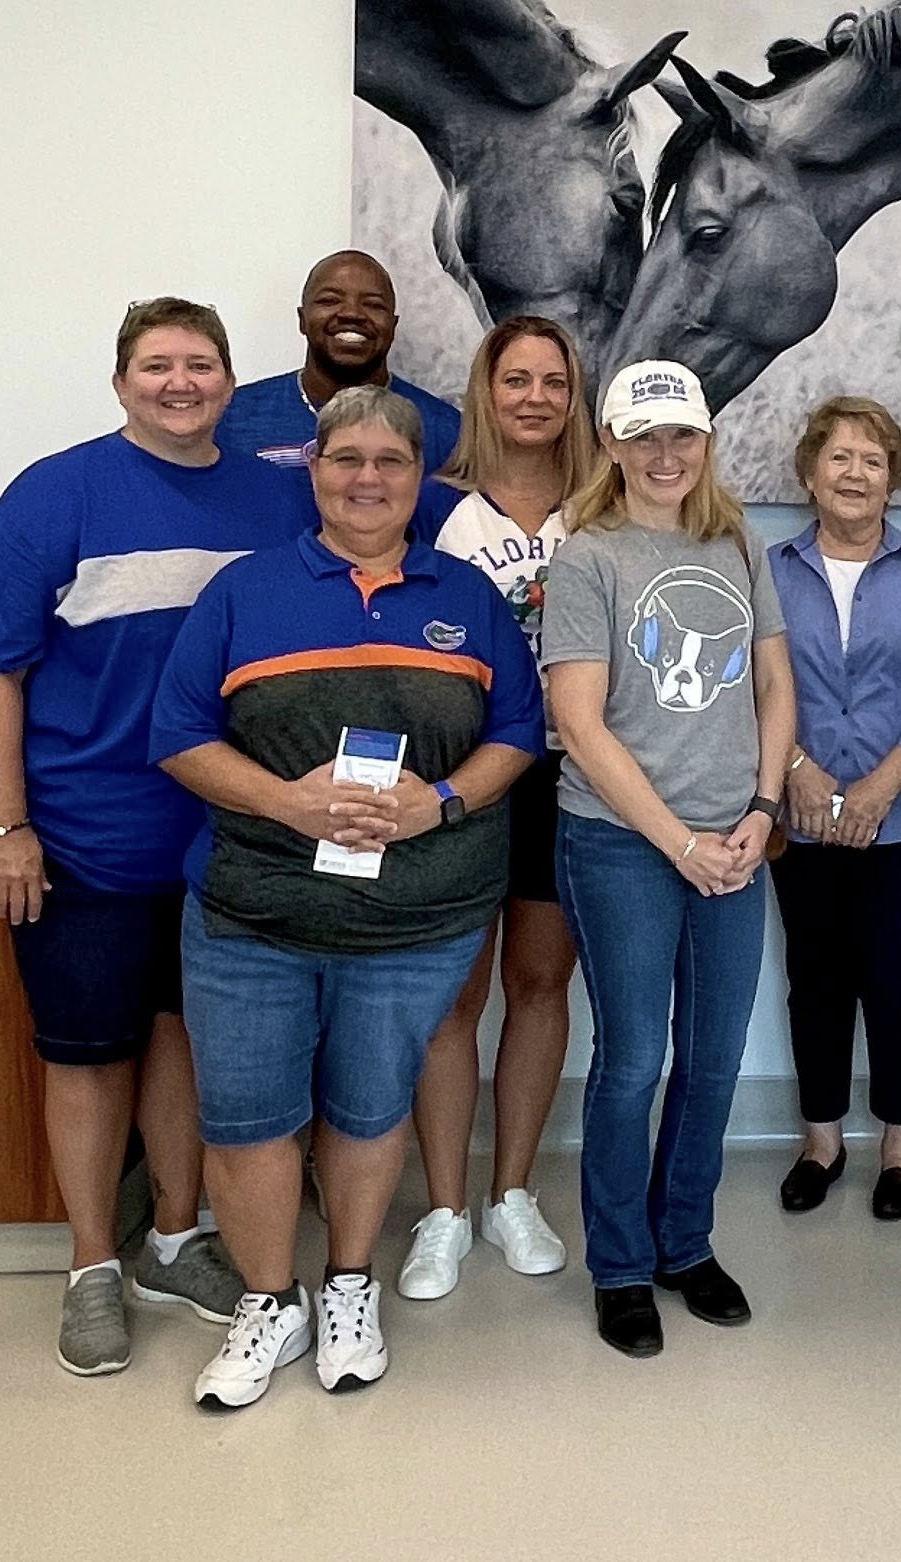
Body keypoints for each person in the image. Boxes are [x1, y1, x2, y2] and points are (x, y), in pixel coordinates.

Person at [149, 386, 541, 1411]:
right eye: (346, 458)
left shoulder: (469, 596)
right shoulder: (245, 590)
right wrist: (287, 800)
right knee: (246, 1122)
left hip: (416, 920)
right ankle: (270, 1301)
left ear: (422, 479)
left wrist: (439, 802)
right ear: (314, 470)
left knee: (370, 1108)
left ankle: (350, 1284)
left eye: (390, 462)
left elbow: (517, 735)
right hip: (252, 914)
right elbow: (180, 734)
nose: (367, 478)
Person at [0, 298, 308, 1377]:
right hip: (84, 842)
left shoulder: (279, 496)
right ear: (121, 382)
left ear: (228, 381)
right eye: (156, 364)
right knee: (88, 1053)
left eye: (200, 363)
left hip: (232, 846)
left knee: (186, 1044)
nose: (179, 381)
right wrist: (5, 823)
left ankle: (169, 1237)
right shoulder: (52, 493)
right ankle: (91, 1264)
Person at [541, 359, 794, 1359]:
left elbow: (774, 686)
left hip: (734, 841)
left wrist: (762, 812)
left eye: (679, 436)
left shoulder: (737, 541)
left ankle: (685, 1242)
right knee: (633, 1057)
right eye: (641, 437)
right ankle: (619, 1261)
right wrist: (676, 840)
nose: (662, 454)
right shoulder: (588, 555)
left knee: (715, 1058)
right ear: (611, 444)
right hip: (622, 846)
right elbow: (578, 718)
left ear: (704, 443)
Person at [396, 316, 602, 1300]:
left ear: (573, 396)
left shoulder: (602, 505)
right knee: (451, 994)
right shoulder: (433, 507)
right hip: (458, 780)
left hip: (568, 780)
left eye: (551, 381)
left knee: (536, 980)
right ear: (485, 389)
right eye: (513, 378)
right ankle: (441, 1206)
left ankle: (510, 1191)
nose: (532, 396)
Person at [769, 398, 901, 1220]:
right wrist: (800, 773)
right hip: (799, 812)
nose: (856, 474)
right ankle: (820, 1139)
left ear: (893, 478)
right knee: (813, 977)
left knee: (895, 979)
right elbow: (748, 685)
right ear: (809, 474)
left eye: (873, 460)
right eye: (840, 459)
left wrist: (879, 788)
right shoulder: (770, 570)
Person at [217, 249, 461, 477]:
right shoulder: (229, 416)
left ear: (393, 326)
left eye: (373, 304)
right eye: (330, 301)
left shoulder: (446, 431)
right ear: (302, 320)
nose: (351, 314)